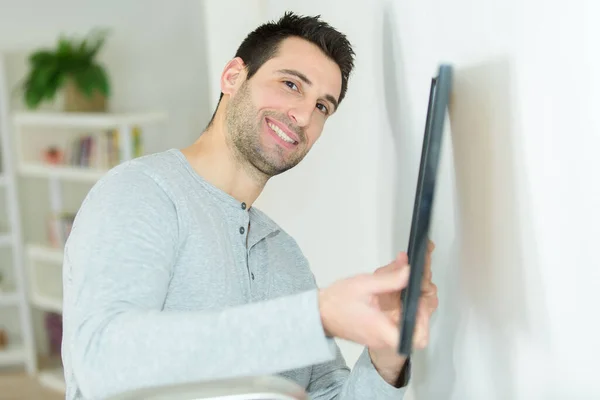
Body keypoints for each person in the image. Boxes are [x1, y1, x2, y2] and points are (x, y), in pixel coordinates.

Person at [61, 11, 438, 400]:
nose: (304, 115)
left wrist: (384, 358)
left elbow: (329, 394)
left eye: (323, 106)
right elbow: (102, 362)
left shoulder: (284, 254)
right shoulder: (141, 192)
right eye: (291, 84)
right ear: (232, 76)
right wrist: (316, 317)